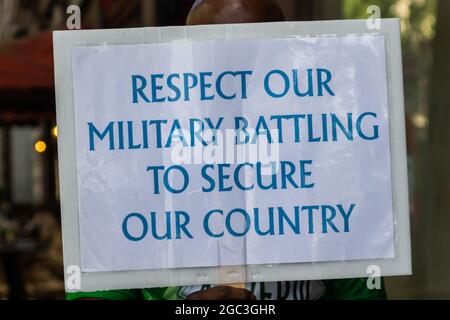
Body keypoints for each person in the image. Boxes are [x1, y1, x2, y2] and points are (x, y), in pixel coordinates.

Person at [67, 0, 387, 300]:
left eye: (257, 62)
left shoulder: (331, 178)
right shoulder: (127, 177)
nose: (234, 85)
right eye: (217, 64)